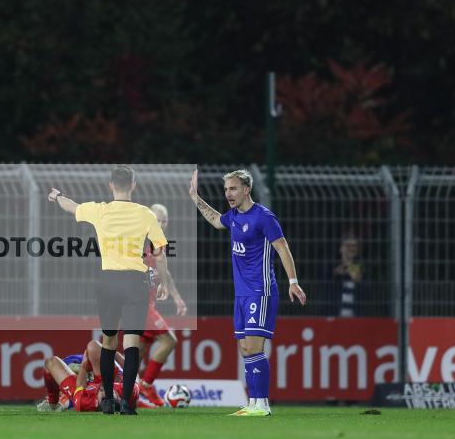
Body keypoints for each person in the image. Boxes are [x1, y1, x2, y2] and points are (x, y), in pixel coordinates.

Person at [49, 165, 170, 415]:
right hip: (135, 282)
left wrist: (57, 196)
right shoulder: (145, 214)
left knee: (109, 341)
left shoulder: (100, 210)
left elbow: (71, 206)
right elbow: (159, 250)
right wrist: (165, 284)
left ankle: (106, 401)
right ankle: (126, 402)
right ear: (134, 185)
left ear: (111, 185)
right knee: (132, 343)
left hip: (108, 282)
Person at [188, 169, 306, 417]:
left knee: (254, 347)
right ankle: (253, 403)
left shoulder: (264, 217)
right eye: (226, 189)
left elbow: (283, 248)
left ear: (246, 190)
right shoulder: (232, 217)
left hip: (260, 291)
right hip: (241, 294)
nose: (228, 194)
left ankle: (262, 404)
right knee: (244, 349)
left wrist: (293, 281)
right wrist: (196, 199)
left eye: (233, 189)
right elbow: (216, 220)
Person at [138, 203, 187, 407]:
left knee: (137, 353)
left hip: (147, 306)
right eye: (158, 220)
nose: (162, 224)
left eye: (165, 221)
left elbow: (164, 273)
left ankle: (125, 392)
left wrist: (176, 297)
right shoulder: (139, 243)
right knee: (169, 341)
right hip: (138, 306)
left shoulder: (157, 245)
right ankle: (146, 386)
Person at [40, 341, 139, 413]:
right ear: (117, 397)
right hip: (104, 378)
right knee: (93, 346)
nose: (103, 391)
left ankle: (52, 403)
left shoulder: (85, 403)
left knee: (50, 362)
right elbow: (133, 373)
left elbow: (80, 385)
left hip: (84, 387)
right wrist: (113, 354)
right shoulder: (127, 391)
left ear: (98, 402)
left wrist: (84, 364)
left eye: (102, 396)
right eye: (108, 395)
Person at [330, 235, 362, 317]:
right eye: (348, 246)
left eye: (354, 246)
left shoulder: (359, 265)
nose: (351, 249)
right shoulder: (333, 264)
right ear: (341, 248)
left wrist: (348, 262)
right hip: (335, 314)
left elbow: (355, 277)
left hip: (356, 315)